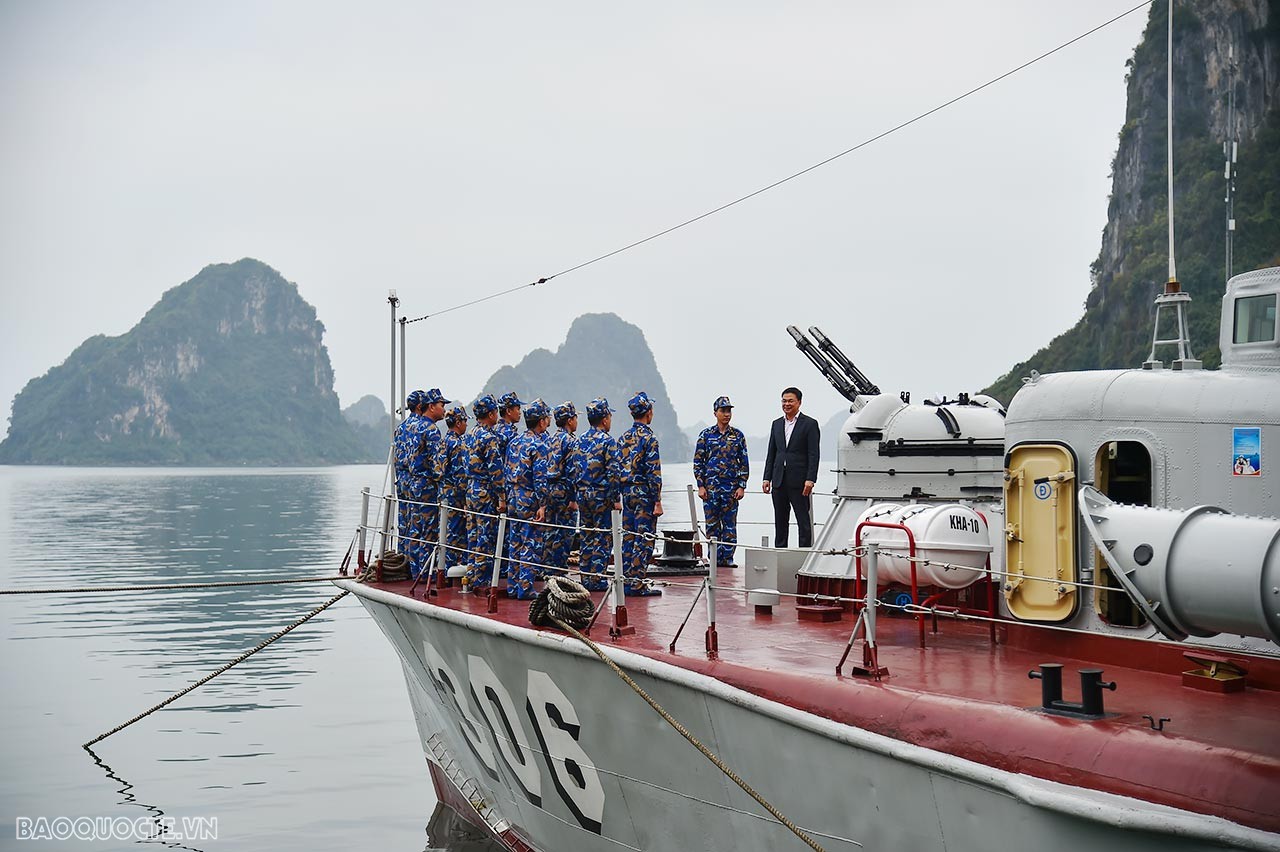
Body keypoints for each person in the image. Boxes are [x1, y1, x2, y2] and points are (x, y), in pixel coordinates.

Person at [394, 388, 448, 578]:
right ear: (429, 406)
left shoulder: (404, 427)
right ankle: (425, 573)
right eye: (441, 405)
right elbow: (438, 466)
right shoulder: (430, 429)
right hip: (425, 485)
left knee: (412, 528)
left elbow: (398, 458)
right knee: (428, 531)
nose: (444, 409)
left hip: (407, 482)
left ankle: (410, 568)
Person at [693, 396, 750, 567]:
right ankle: (714, 559)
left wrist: (742, 486)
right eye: (723, 411)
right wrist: (700, 485)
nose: (727, 414)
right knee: (712, 525)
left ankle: (728, 559)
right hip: (710, 489)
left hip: (731, 489)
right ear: (715, 413)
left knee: (730, 525)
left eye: (729, 411)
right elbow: (698, 462)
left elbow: (744, 462)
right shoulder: (706, 435)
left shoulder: (738, 436)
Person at [503, 398, 551, 599]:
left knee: (515, 542)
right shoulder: (539, 445)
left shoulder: (514, 442)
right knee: (531, 542)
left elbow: (506, 471)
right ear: (541, 421)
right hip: (529, 497)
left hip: (513, 496)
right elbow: (540, 478)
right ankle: (525, 588)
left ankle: (513, 586)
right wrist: (543, 504)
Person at [572, 398, 621, 591]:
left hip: (582, 495)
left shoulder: (579, 440)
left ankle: (585, 577)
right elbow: (613, 473)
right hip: (601, 496)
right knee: (602, 537)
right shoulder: (608, 441)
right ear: (604, 419)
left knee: (586, 536)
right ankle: (598, 579)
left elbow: (575, 469)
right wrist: (616, 499)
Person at [762, 386, 820, 548]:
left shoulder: (810, 424)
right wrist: (767, 478)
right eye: (784, 401)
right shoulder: (776, 424)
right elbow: (771, 453)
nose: (787, 404)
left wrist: (810, 479)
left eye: (790, 401)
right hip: (779, 480)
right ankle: (780, 553)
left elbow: (814, 454)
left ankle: (804, 554)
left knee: (803, 521)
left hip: (800, 481)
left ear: (799, 402)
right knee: (780, 521)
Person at [617, 391, 663, 596]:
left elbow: (616, 469)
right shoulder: (649, 439)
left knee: (628, 537)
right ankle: (637, 584)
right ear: (649, 412)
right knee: (644, 539)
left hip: (627, 493)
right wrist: (657, 500)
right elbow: (654, 473)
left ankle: (626, 581)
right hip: (644, 494)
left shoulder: (623, 438)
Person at [463, 394, 505, 592]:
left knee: (473, 535)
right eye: (495, 411)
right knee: (485, 536)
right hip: (485, 491)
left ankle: (471, 573)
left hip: (470, 489)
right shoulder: (489, 438)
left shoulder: (469, 434)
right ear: (490, 414)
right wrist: (502, 497)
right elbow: (496, 471)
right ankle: (481, 580)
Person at [544, 402, 580, 573]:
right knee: (566, 531)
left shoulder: (549, 439)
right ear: (569, 420)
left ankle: (547, 567)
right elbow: (573, 471)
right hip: (564, 491)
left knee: (550, 530)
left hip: (549, 489)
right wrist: (573, 498)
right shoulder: (570, 441)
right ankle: (559, 568)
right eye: (575, 418)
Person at [440, 404, 470, 574]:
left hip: (443, 492)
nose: (466, 424)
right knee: (455, 533)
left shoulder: (443, 441)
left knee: (446, 531)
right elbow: (460, 475)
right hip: (455, 496)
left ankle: (443, 568)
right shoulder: (457, 444)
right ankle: (449, 571)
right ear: (458, 423)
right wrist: (466, 499)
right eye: (464, 421)